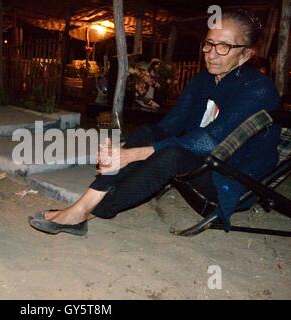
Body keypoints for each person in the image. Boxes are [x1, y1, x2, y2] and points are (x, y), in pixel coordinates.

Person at [28, 9, 281, 236]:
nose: (212, 54)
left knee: (169, 155)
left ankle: (85, 211)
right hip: (203, 159)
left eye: (224, 47)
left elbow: (210, 139)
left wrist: (133, 155)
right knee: (147, 132)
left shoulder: (258, 90)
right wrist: (127, 149)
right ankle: (82, 209)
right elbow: (171, 124)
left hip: (231, 176)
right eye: (209, 44)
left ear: (246, 54)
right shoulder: (204, 80)